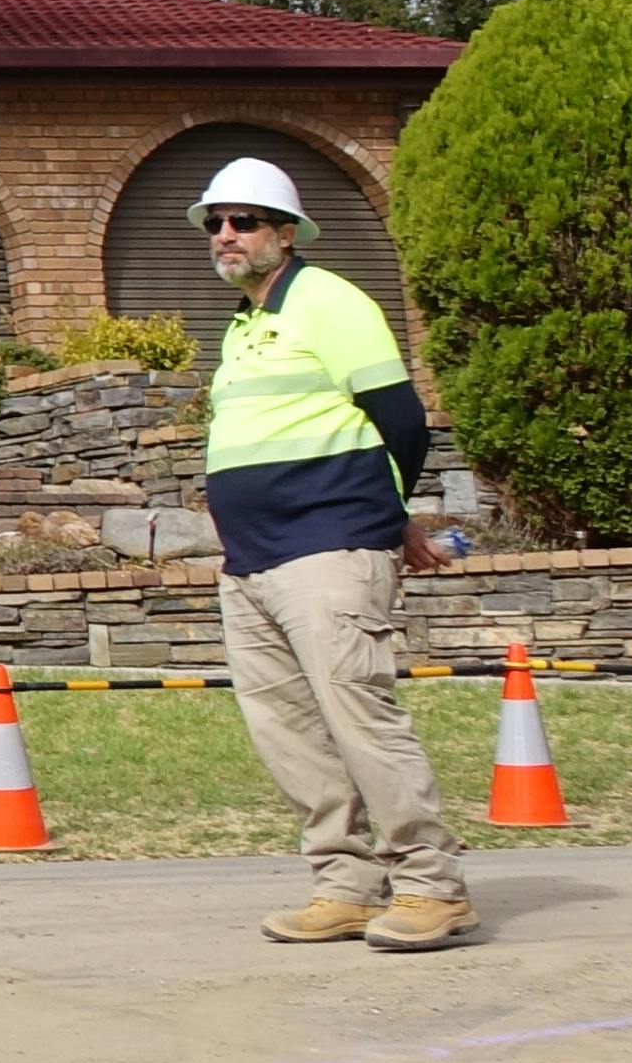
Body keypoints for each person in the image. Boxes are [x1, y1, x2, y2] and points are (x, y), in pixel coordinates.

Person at [190, 157, 471, 951]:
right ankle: (346, 885)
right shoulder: (244, 325)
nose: (225, 235)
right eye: (215, 222)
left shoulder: (331, 301)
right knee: (288, 730)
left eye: (243, 220)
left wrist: (385, 517)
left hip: (329, 548)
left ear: (286, 233)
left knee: (360, 719)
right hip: (251, 562)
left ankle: (431, 886)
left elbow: (403, 422)